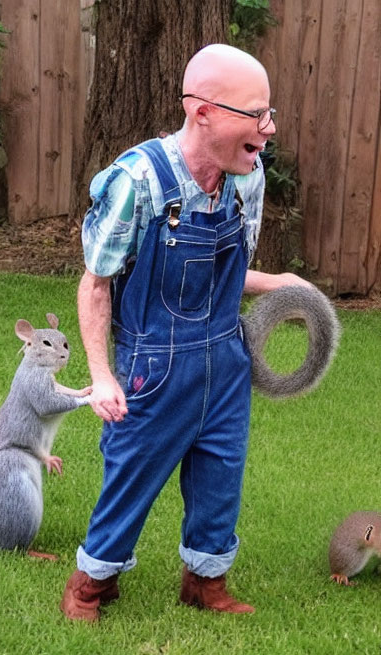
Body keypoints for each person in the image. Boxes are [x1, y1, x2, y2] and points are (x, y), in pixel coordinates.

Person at [59, 43, 313, 622]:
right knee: (133, 476)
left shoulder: (247, 178)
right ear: (203, 112)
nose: (268, 130)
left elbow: (226, 272)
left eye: (269, 114)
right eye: (257, 115)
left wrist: (279, 283)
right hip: (155, 366)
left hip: (226, 356)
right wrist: (101, 376)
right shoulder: (139, 180)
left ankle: (205, 582)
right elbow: (95, 284)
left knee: (221, 473)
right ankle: (90, 585)